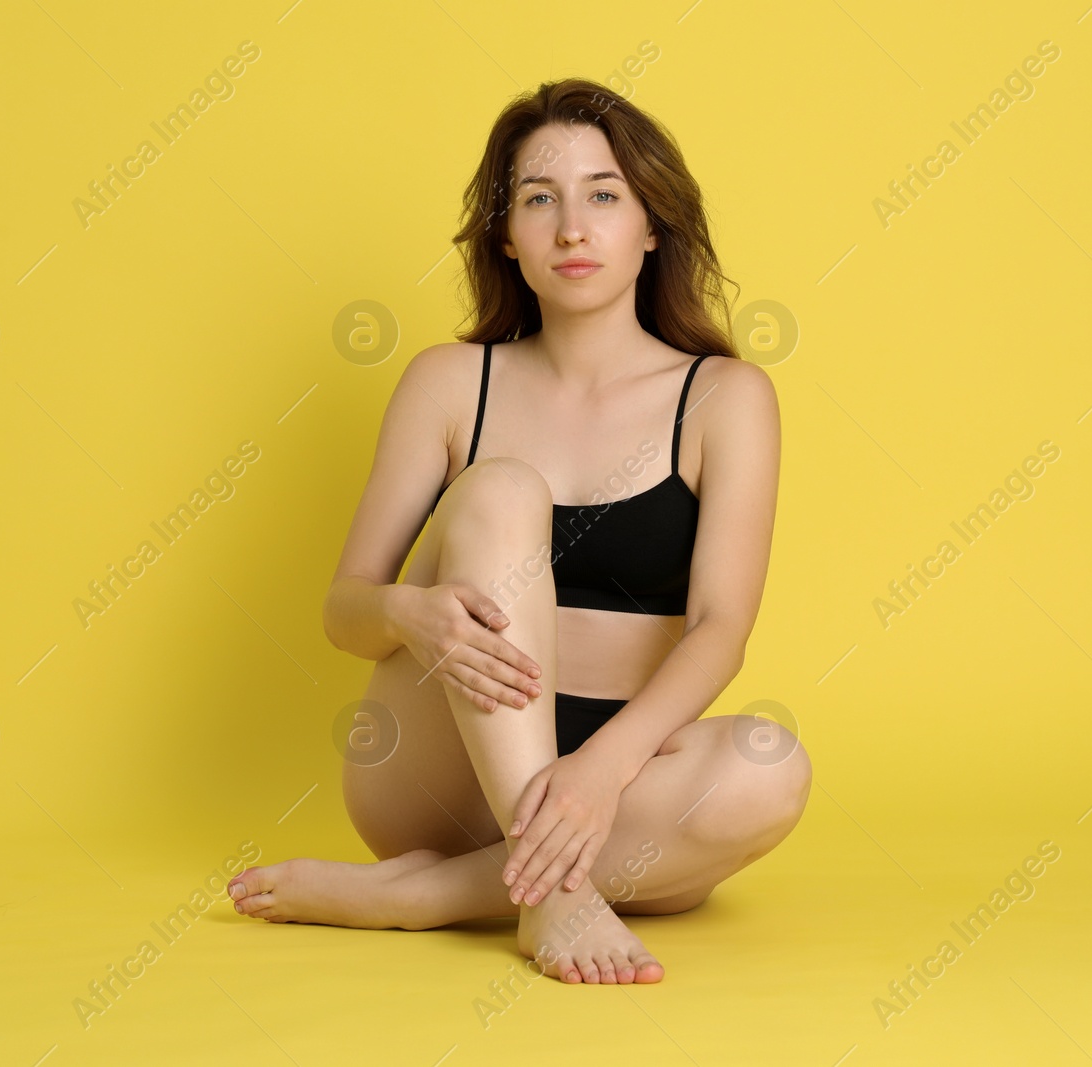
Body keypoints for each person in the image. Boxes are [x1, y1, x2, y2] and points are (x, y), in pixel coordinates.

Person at [228, 77, 809, 985]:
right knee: (499, 491)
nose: (572, 228)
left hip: (613, 790)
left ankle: (421, 898)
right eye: (540, 200)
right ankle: (552, 898)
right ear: (507, 236)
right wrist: (411, 615)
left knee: (770, 769)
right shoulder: (450, 382)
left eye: (603, 196)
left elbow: (720, 628)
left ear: (651, 226)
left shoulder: (725, 400)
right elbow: (344, 610)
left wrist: (602, 772)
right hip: (437, 780)